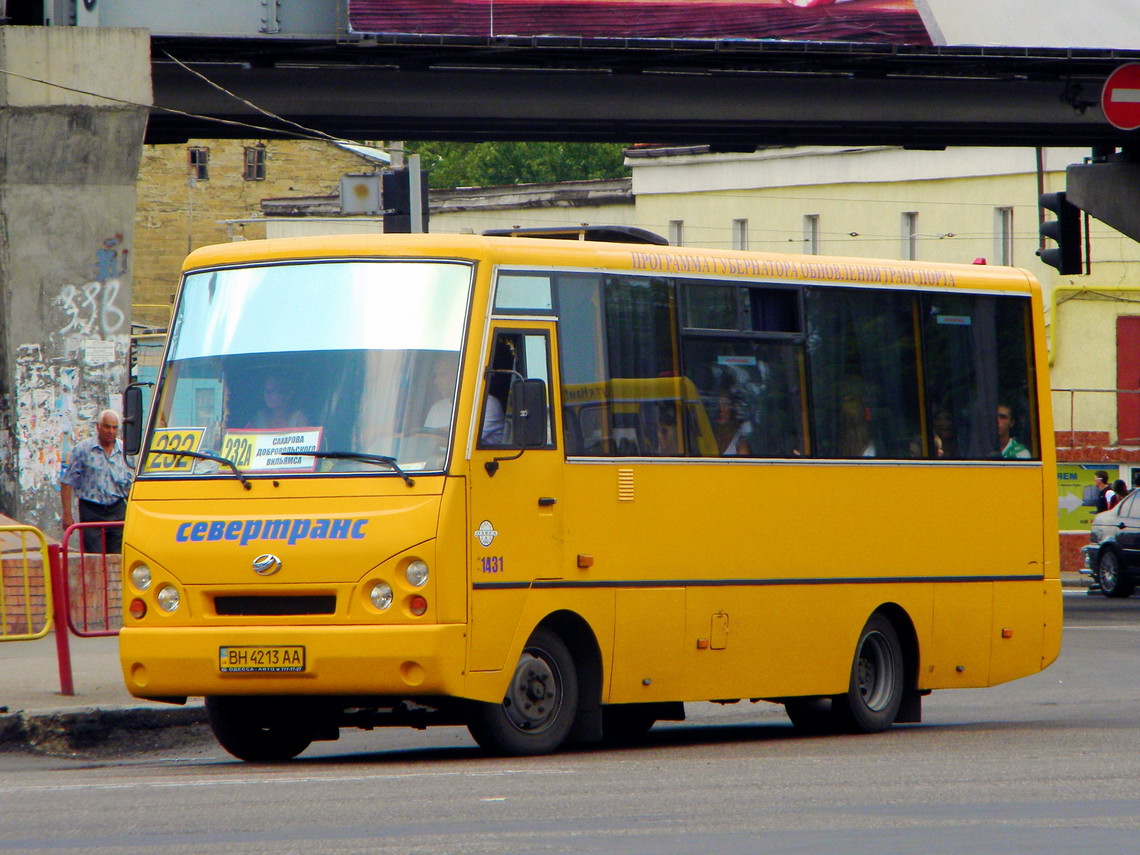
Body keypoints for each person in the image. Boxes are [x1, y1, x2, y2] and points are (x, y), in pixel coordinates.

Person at [60, 410, 133, 553]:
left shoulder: (124, 450)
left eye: (114, 427)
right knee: (94, 557)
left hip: (117, 509)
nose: (111, 431)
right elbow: (66, 482)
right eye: (107, 427)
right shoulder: (83, 450)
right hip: (91, 510)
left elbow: (130, 484)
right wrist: (67, 514)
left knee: (117, 557)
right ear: (98, 427)